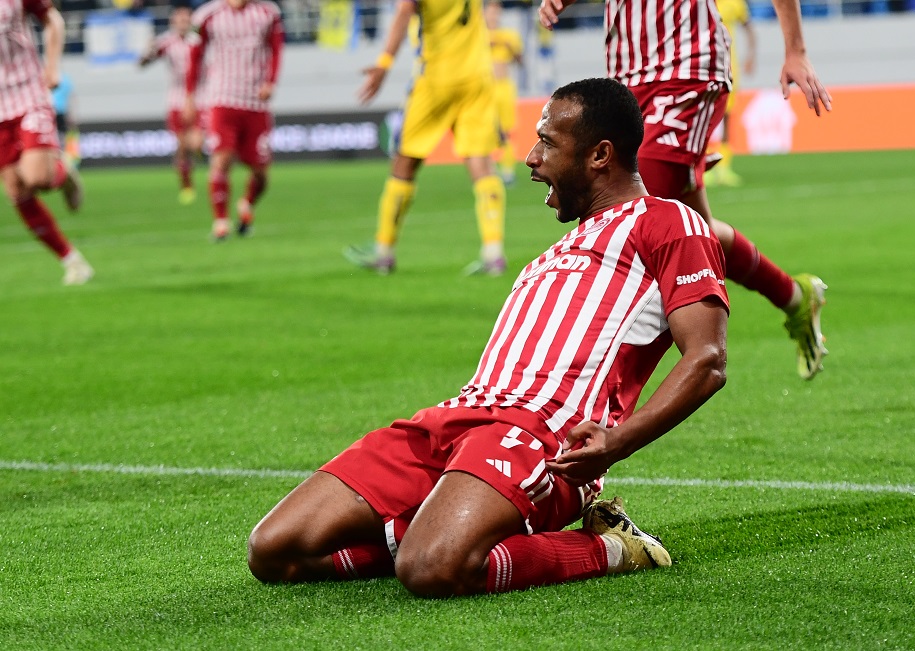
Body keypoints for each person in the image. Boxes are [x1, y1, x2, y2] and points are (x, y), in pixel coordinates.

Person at [248, 78, 729, 597]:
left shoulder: (669, 222)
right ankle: (432, 529)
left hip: (543, 434)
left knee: (432, 569)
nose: (531, 157)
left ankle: (611, 547)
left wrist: (616, 443)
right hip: (456, 417)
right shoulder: (559, 250)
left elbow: (706, 359)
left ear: (599, 155)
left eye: (547, 142)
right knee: (274, 551)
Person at [539, 0, 832, 380]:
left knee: (633, 220)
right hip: (626, 76)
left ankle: (590, 388)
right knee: (696, 227)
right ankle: (795, 297)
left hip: (686, 66)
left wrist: (795, 50)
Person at [343, 0, 507, 276]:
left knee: (405, 161)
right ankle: (494, 253)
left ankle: (384, 250)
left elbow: (404, 10)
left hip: (435, 78)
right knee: (480, 161)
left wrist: (384, 63)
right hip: (477, 76)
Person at [0, 0, 92, 285]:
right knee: (17, 191)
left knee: (37, 178)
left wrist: (52, 67)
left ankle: (63, 172)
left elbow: (53, 19)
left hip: (29, 94)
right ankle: (72, 261)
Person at [184, 0, 284, 240]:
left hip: (255, 101)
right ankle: (221, 222)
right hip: (222, 98)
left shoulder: (268, 13)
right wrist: (190, 96)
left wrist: (271, 82)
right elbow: (195, 57)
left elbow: (276, 49)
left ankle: (246, 203)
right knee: (222, 159)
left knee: (261, 171)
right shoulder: (206, 16)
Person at [139, 3, 205, 205]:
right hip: (176, 100)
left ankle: (199, 154)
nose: (183, 22)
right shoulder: (166, 41)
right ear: (173, 21)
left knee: (196, 143)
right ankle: (186, 186)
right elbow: (143, 63)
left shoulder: (199, 41)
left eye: (186, 19)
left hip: (199, 99)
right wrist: (148, 51)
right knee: (182, 147)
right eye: (180, 18)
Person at [703, 0, 756, 188]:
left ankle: (724, 168)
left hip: (729, 67)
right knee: (704, 117)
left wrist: (751, 56)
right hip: (704, 66)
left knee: (727, 116)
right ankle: (703, 166)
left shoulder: (735, 3)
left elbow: (749, 29)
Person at [485, 0, 523, 185]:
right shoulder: (478, 36)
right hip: (485, 89)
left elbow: (520, 61)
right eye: (491, 11)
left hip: (504, 87)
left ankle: (508, 172)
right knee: (487, 131)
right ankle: (489, 171)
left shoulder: (509, 35)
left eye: (497, 11)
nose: (494, 15)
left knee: (507, 132)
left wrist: (511, 48)